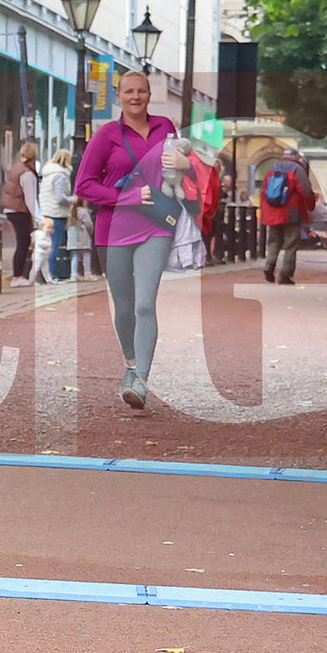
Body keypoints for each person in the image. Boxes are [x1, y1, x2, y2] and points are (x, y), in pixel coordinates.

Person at [74, 69, 190, 409]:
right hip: (113, 230)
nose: (136, 97)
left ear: (149, 95)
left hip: (156, 226)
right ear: (119, 96)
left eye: (141, 91)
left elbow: (179, 170)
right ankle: (130, 364)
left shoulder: (165, 127)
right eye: (129, 92)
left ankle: (140, 381)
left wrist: (186, 162)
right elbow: (84, 186)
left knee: (144, 303)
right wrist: (127, 196)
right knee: (124, 307)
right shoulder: (106, 135)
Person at [258, 147, 315, 284]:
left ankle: (269, 265)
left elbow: (263, 191)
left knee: (274, 242)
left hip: (272, 212)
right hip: (291, 212)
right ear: (295, 156)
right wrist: (310, 205)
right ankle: (285, 274)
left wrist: (264, 212)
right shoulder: (297, 169)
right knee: (290, 244)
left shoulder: (272, 167)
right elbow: (305, 190)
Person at [1, 142, 41, 287]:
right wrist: (39, 218)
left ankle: (19, 275)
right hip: (19, 210)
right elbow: (30, 200)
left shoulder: (17, 167)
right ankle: (18, 277)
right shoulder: (27, 173)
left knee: (21, 243)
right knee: (23, 243)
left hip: (11, 209)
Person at [38, 148, 76, 281]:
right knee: (55, 244)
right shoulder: (60, 175)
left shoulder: (48, 174)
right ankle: (53, 275)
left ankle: (43, 275)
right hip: (57, 213)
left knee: (46, 244)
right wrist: (72, 199)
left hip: (46, 211)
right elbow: (60, 197)